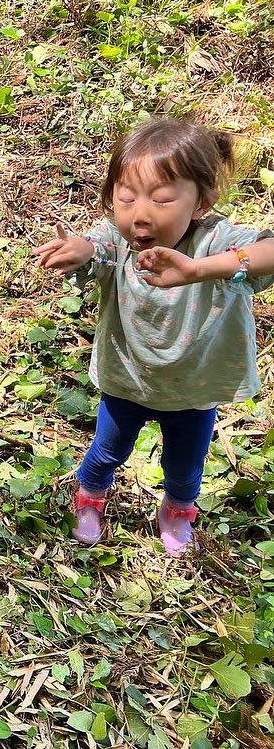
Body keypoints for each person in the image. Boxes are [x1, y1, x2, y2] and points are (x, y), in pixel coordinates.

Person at [32, 117, 274, 555]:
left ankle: (177, 509)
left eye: (162, 199)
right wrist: (82, 251)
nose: (140, 213)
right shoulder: (116, 243)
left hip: (194, 391)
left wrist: (199, 270)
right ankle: (89, 499)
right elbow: (96, 249)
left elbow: (269, 253)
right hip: (128, 383)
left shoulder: (217, 242)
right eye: (126, 198)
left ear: (202, 201)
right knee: (105, 452)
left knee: (185, 468)